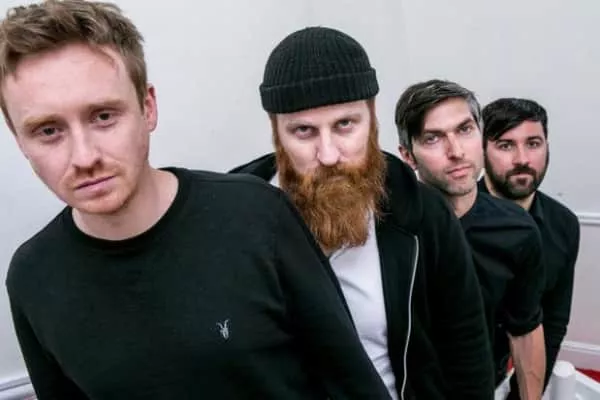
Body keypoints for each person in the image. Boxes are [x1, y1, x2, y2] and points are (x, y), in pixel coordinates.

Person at [1, 2, 392, 399]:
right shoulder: (32, 277)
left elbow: (351, 384)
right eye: (48, 131)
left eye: (103, 116)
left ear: (148, 108)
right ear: (19, 140)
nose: (84, 157)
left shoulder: (258, 215)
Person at [230, 26, 494, 399]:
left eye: (345, 125)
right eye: (303, 131)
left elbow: (466, 352)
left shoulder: (425, 215)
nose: (328, 155)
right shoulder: (235, 215)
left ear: (371, 119)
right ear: (276, 131)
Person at [395, 79, 546, 400]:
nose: (456, 152)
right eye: (433, 138)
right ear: (408, 156)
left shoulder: (517, 230)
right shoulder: (391, 230)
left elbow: (525, 330)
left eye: (465, 130)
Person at [481, 97, 581, 398]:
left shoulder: (563, 224)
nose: (522, 159)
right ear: (481, 150)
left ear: (547, 147)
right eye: (505, 145)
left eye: (533, 143)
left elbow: (553, 322)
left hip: (505, 374)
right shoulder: (450, 219)